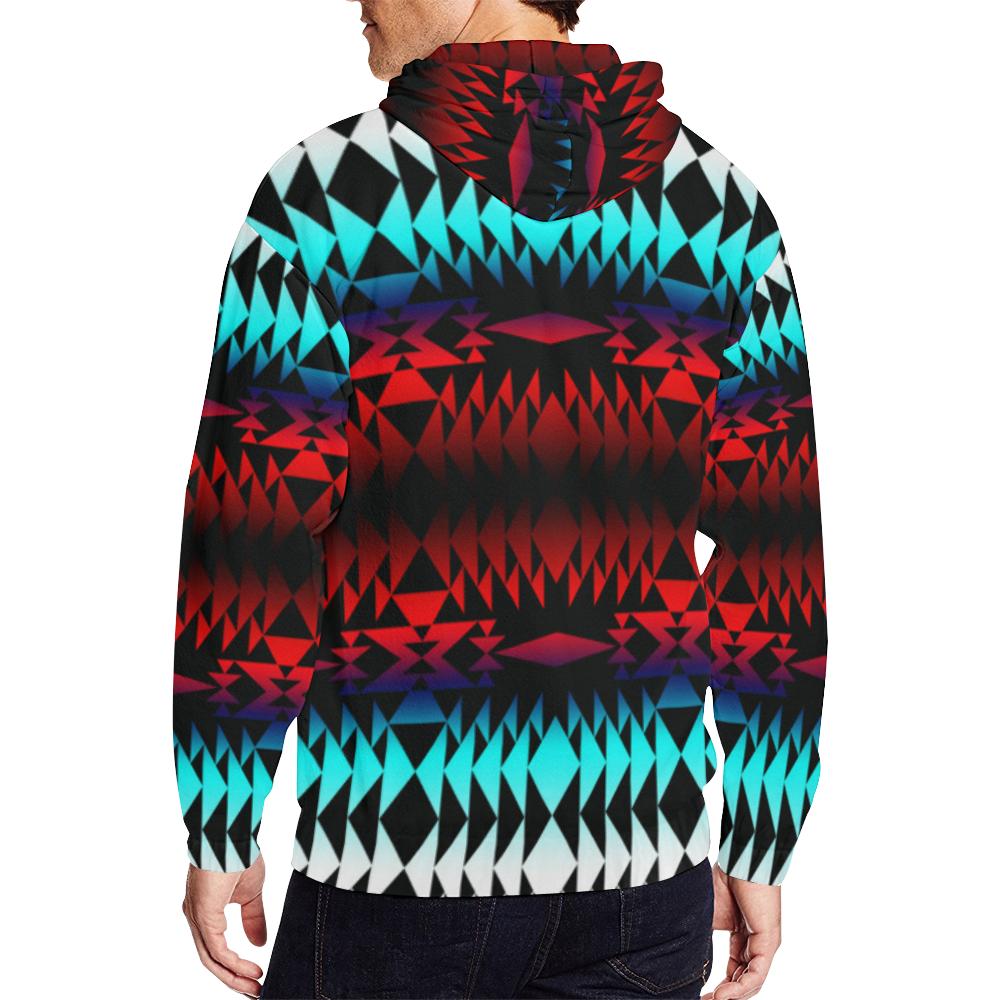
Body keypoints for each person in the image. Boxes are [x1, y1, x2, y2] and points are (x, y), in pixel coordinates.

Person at [172, 1, 828, 997]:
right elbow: (772, 546)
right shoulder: (719, 207)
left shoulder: (328, 197)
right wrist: (760, 832)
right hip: (641, 862)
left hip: (398, 857)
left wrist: (222, 812)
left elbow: (254, 533)